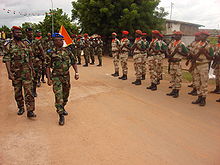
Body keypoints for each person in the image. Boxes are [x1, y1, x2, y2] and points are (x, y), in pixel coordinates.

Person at [46, 33, 79, 126]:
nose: (62, 41)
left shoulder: (67, 51)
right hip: (56, 76)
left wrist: (76, 72)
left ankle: (63, 107)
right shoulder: (50, 52)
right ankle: (60, 114)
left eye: (62, 40)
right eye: (60, 40)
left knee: (66, 94)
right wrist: (49, 78)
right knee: (58, 95)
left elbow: (73, 61)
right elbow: (47, 66)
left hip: (66, 76)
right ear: (55, 41)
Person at [3, 26, 36, 118]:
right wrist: (9, 73)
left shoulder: (26, 43)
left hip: (27, 72)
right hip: (16, 73)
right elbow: (7, 60)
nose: (19, 34)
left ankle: (30, 110)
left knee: (29, 91)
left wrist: (32, 69)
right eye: (17, 32)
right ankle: (21, 107)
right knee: (17, 92)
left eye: (20, 32)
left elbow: (30, 57)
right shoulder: (9, 45)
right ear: (13, 33)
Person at [191, 31, 214, 106]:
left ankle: (203, 99)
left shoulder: (209, 46)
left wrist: (204, 52)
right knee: (197, 82)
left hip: (204, 65)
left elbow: (211, 57)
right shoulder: (197, 44)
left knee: (204, 83)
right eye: (200, 35)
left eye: (202, 35)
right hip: (196, 65)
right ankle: (199, 97)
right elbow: (193, 54)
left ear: (206, 36)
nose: (200, 36)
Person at [166, 31, 188, 98]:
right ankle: (173, 90)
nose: (176, 36)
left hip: (178, 62)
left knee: (178, 77)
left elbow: (186, 54)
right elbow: (167, 49)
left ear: (181, 36)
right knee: (172, 77)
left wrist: (179, 52)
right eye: (175, 35)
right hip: (172, 62)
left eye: (178, 35)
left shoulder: (182, 44)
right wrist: (168, 54)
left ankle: (177, 92)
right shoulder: (172, 43)